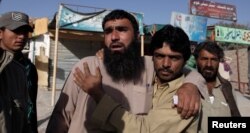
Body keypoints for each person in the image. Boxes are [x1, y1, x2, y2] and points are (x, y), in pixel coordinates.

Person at [46, 9, 204, 133]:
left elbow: (184, 68)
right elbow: (62, 116)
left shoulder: (151, 66)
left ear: (136, 36)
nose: (114, 36)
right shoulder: (86, 67)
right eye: (108, 31)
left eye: (121, 30)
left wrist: (191, 85)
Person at [0, 11, 38, 133]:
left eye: (25, 32)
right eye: (16, 31)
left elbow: (30, 107)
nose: (22, 36)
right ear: (0, 33)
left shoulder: (27, 69)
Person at [193, 41, 241, 133]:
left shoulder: (227, 88)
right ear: (196, 60)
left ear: (219, 61)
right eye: (204, 59)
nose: (209, 64)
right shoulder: (188, 87)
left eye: (214, 59)